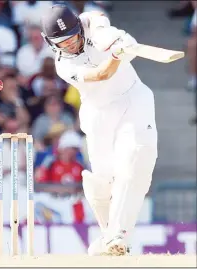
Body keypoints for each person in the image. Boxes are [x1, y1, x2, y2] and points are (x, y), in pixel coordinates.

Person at [40, 4, 158, 256]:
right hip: (98, 112)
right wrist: (115, 56)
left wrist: (110, 36)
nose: (69, 45)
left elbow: (95, 17)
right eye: (62, 43)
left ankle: (119, 235)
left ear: (78, 30)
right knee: (102, 180)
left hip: (133, 99)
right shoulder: (64, 66)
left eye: (72, 38)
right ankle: (109, 237)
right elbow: (100, 75)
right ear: (51, 43)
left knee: (138, 159)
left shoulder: (87, 24)